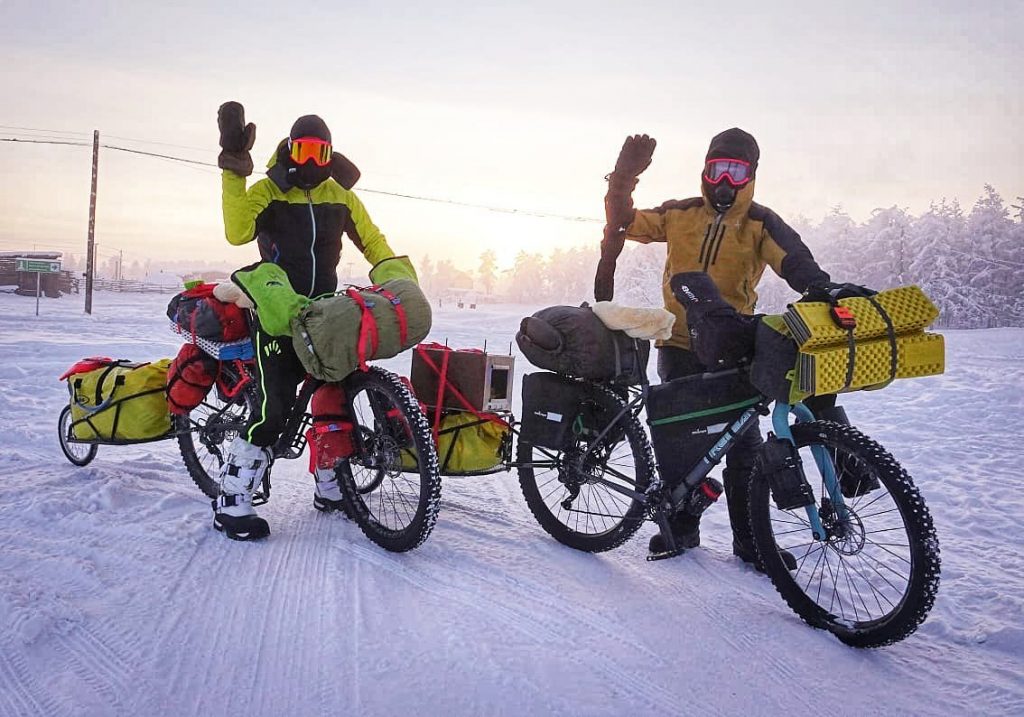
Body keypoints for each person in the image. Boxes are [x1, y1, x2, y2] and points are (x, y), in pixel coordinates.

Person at [595, 128, 834, 570]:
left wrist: (820, 287)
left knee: (743, 448)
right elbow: (624, 222)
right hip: (679, 344)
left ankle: (751, 542)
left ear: (751, 176)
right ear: (705, 171)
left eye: (736, 171)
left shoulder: (761, 223)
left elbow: (794, 259)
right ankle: (680, 529)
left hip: (733, 348)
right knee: (682, 445)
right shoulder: (680, 213)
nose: (725, 181)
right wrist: (623, 180)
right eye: (717, 169)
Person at [213, 102, 402, 541]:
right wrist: (234, 170)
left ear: (331, 154)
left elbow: (373, 242)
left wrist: (397, 280)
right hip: (277, 312)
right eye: (303, 151)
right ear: (290, 150)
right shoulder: (269, 191)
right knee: (275, 405)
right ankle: (232, 498)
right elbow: (237, 231)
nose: (311, 163)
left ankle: (330, 483)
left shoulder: (342, 196)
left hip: (324, 313)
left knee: (334, 397)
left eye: (320, 153)